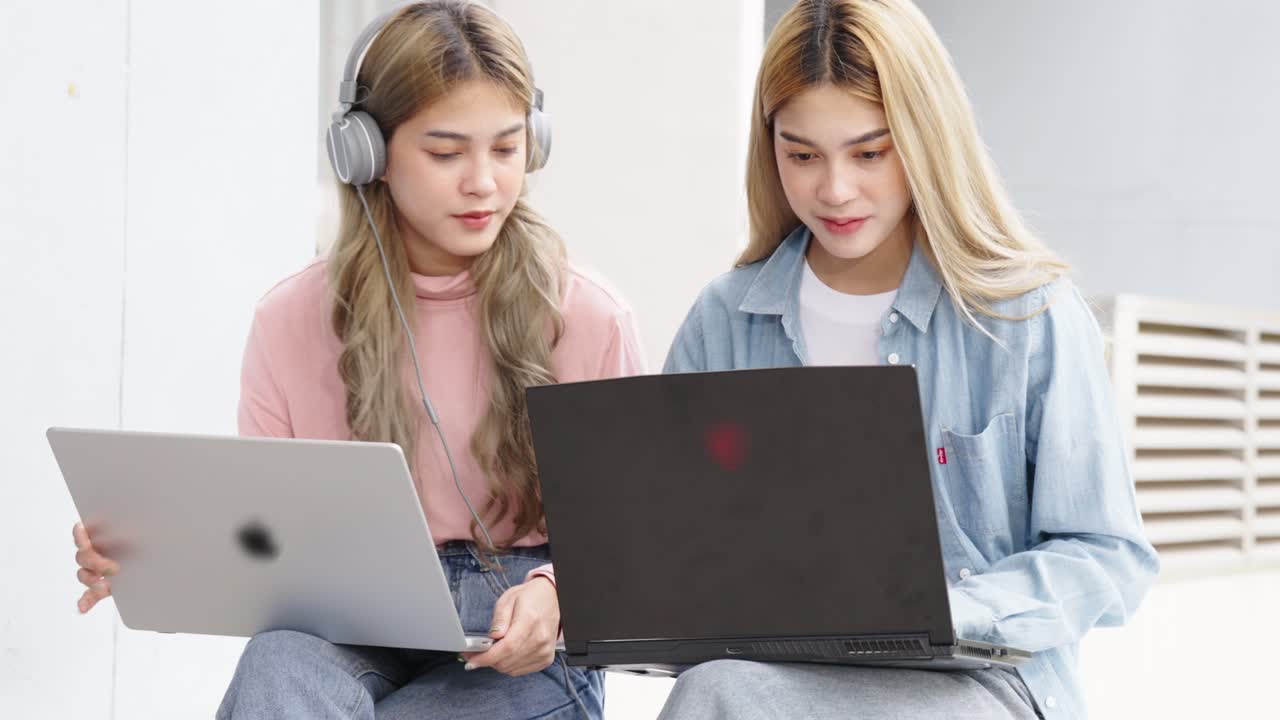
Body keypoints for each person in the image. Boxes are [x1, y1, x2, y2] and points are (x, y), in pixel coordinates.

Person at [71, 2, 644, 717]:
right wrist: (154, 559)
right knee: (277, 668)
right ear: (365, 153)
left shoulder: (587, 315)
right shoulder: (290, 319)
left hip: (519, 643)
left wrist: (557, 594)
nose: (484, 182)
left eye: (506, 147)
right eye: (445, 152)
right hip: (352, 618)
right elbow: (263, 539)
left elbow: (629, 538)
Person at [658, 1, 1158, 718]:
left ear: (926, 139)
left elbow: (1110, 556)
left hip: (978, 681)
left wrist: (956, 609)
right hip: (781, 672)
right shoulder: (725, 316)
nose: (834, 190)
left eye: (869, 152)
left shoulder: (1029, 315)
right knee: (711, 692)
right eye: (802, 155)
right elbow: (668, 532)